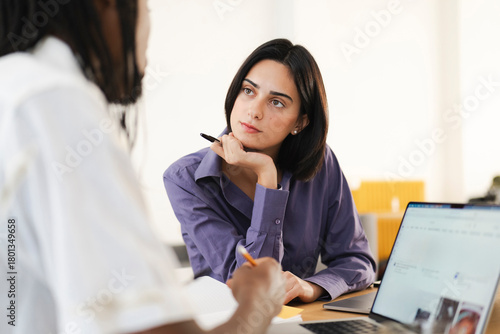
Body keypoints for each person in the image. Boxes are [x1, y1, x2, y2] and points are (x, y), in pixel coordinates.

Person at [0, 1, 285, 334]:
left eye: (278, 101)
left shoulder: (14, 85)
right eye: (146, 8)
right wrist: (258, 305)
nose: (255, 112)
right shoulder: (56, 102)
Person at [164, 38, 377, 305]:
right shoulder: (186, 179)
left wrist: (309, 287)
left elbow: (357, 261)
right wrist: (267, 176)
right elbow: (254, 286)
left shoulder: (321, 163)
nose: (253, 111)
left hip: (297, 321)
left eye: (276, 102)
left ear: (300, 122)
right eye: (248, 91)